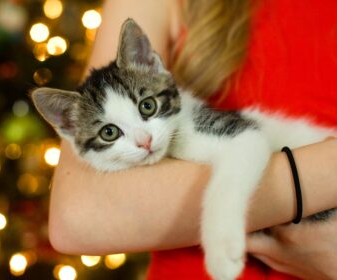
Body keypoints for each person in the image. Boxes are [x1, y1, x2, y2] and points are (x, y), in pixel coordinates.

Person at [48, 0, 337, 279]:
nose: (143, 140)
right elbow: (73, 219)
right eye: (110, 133)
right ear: (69, 126)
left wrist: (220, 222)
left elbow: (246, 142)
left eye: (147, 108)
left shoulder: (187, 126)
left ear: (151, 64)